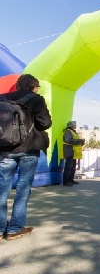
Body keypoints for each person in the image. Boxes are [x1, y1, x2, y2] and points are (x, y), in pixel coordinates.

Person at [0, 74, 52, 240]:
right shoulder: (36, 99)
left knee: (2, 189)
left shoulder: (3, 98)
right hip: (28, 150)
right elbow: (45, 123)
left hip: (5, 148)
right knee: (23, 190)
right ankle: (14, 229)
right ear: (33, 86)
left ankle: (0, 228)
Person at [62, 121, 85, 186]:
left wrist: (81, 142)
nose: (76, 125)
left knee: (73, 167)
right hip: (69, 150)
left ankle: (71, 179)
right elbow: (68, 140)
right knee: (69, 166)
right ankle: (66, 181)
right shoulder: (68, 131)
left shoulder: (72, 132)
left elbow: (73, 140)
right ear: (72, 125)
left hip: (73, 151)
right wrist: (80, 141)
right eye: (75, 124)